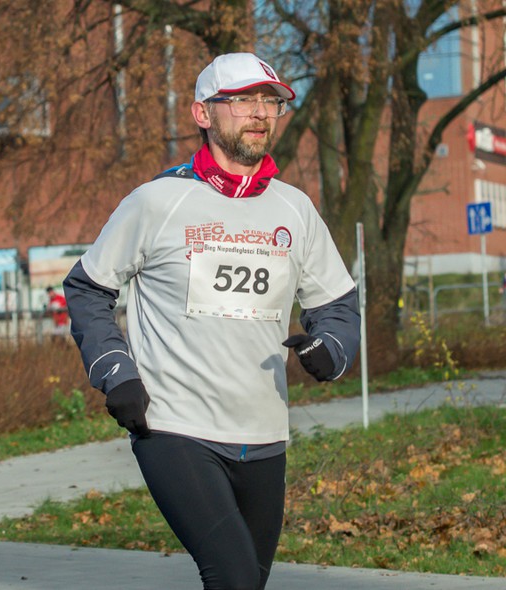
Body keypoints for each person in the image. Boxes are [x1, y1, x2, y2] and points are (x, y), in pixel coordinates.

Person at [63, 53, 361, 590]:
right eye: (243, 100)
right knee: (235, 579)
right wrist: (116, 371)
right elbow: (86, 289)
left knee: (247, 583)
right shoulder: (158, 202)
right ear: (203, 113)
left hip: (264, 432)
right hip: (175, 428)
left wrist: (331, 350)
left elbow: (337, 305)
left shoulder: (295, 210)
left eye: (270, 102)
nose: (260, 113)